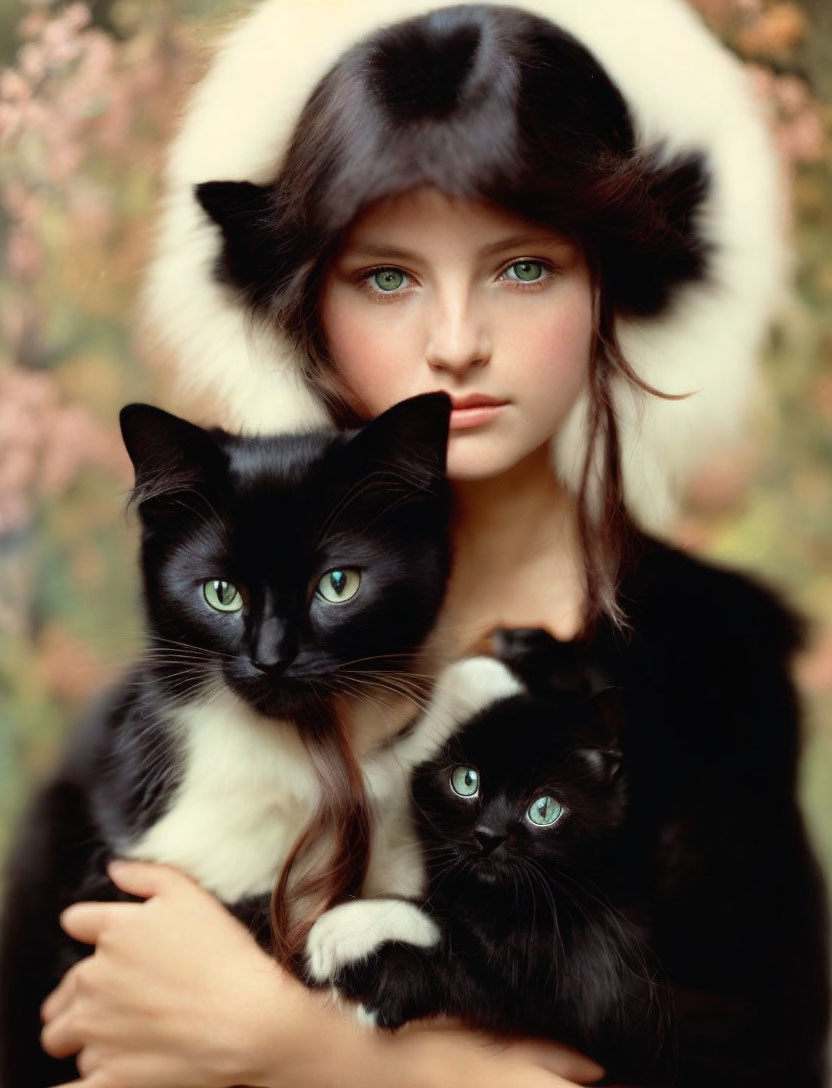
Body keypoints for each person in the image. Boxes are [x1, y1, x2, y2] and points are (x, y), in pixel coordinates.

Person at [38, 2, 828, 1086]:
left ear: (608, 286)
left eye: (523, 268)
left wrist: (310, 1049)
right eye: (387, 277)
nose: (456, 342)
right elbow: (84, 1023)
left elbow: (758, 1056)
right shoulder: (211, 644)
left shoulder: (708, 663)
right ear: (305, 303)